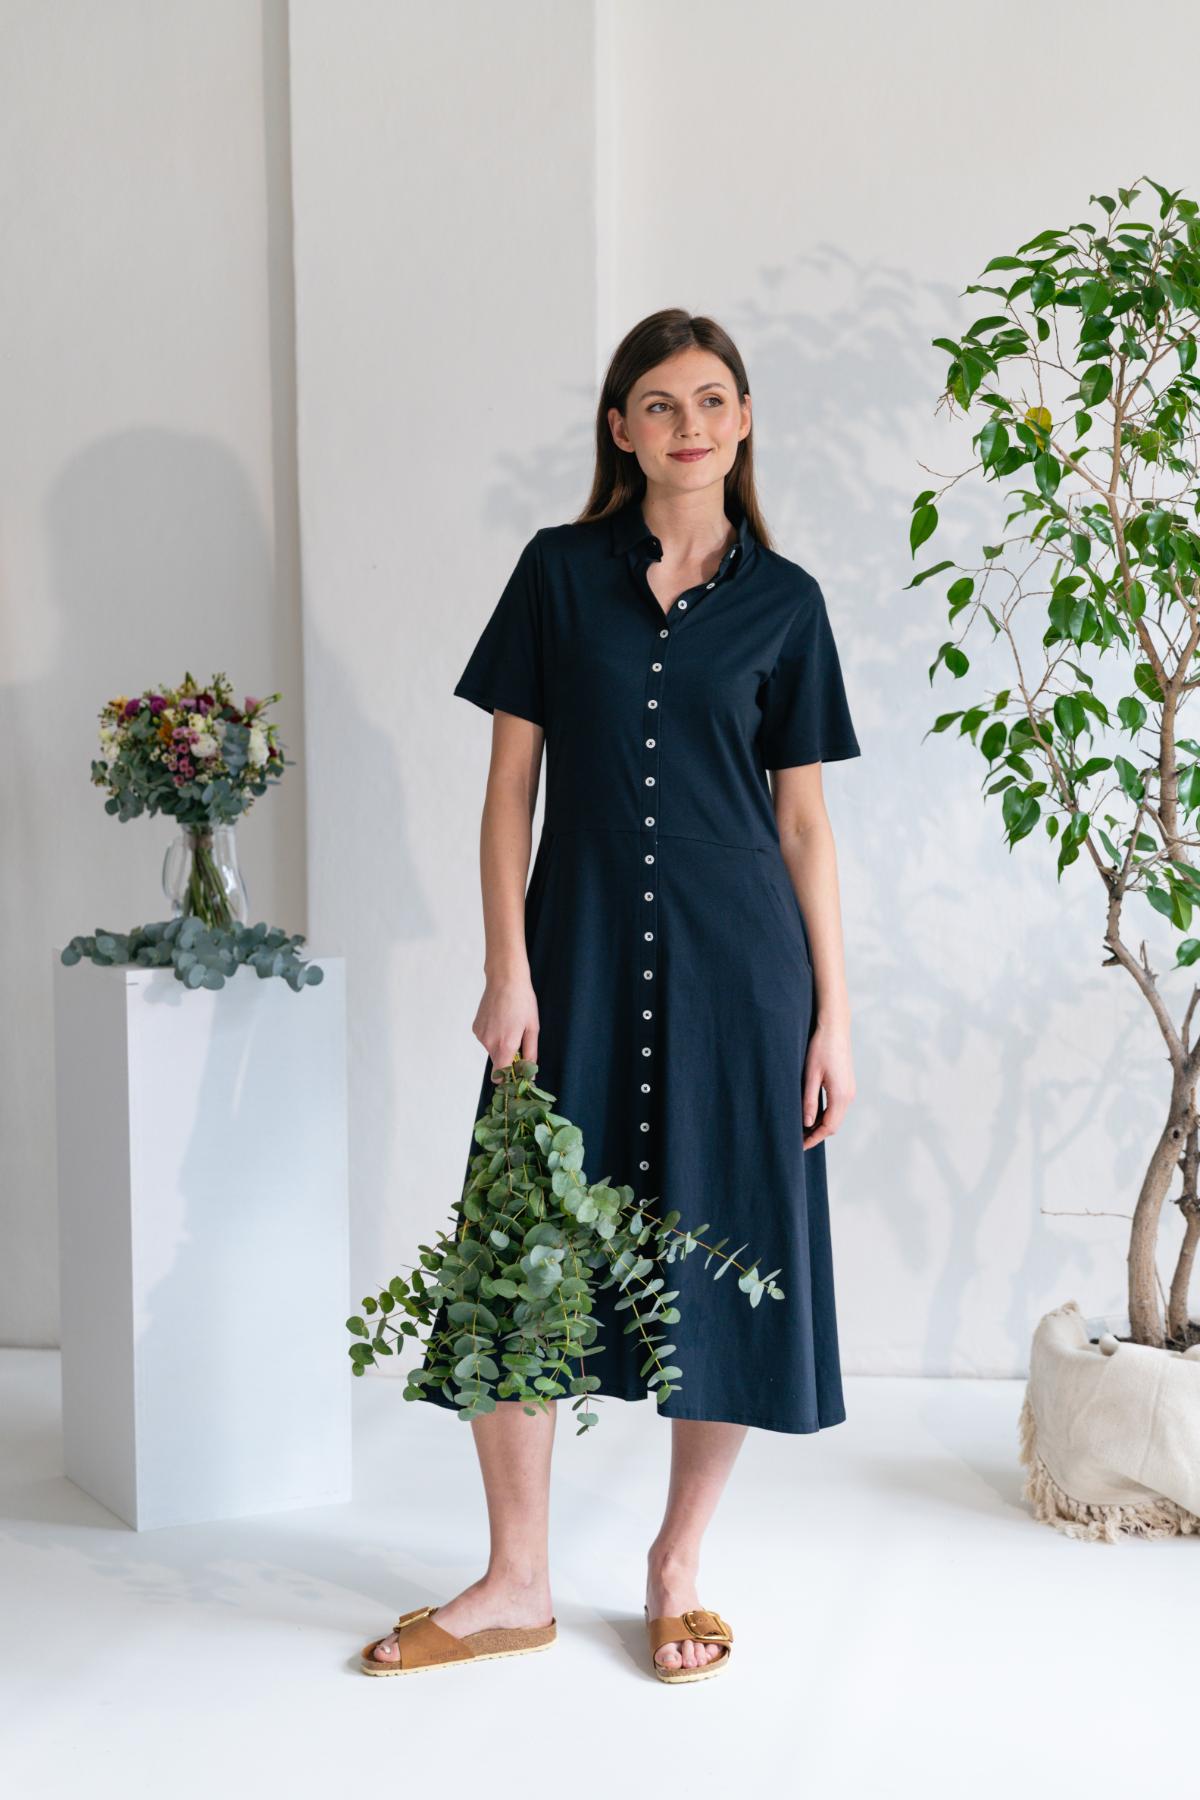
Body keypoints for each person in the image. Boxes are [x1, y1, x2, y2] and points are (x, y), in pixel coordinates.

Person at [365, 308, 861, 1682]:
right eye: (659, 403)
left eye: (711, 400)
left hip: (740, 977)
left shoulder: (787, 603)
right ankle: (515, 1579)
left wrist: (834, 1016)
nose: (687, 425)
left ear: (743, 421)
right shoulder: (556, 574)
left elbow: (803, 826)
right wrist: (506, 966)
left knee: (728, 1242)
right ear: (619, 428)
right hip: (571, 959)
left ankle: (677, 1564)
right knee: (519, 1249)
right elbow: (508, 790)